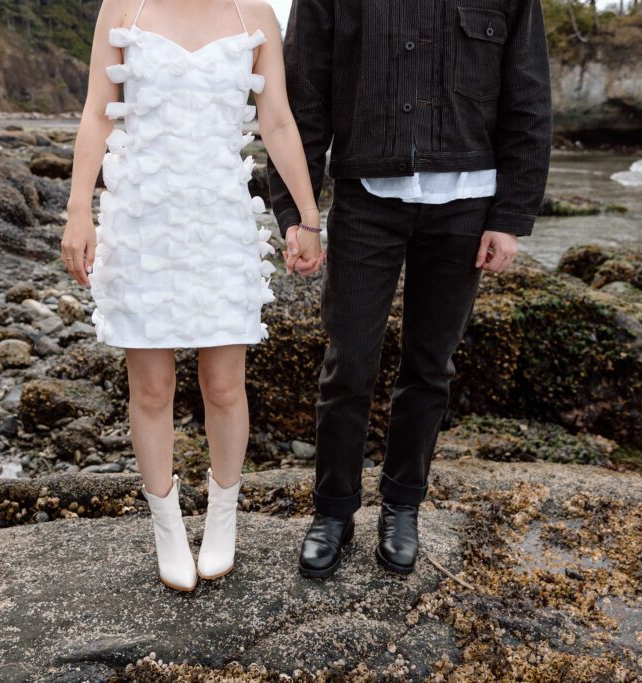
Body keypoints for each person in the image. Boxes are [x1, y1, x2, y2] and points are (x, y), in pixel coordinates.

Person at [268, 0, 552, 578]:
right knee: (348, 362)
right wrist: (298, 214)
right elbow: (303, 98)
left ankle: (402, 506)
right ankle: (334, 511)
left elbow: (528, 98)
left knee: (430, 366)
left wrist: (511, 214)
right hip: (367, 197)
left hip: (468, 206)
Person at [60, 0, 324, 592]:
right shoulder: (122, 8)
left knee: (225, 385)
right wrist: (80, 207)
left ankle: (224, 516)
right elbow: (97, 115)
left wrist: (308, 215)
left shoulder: (255, 15)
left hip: (219, 217)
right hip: (141, 215)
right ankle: (167, 526)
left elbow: (276, 120)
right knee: (151, 388)